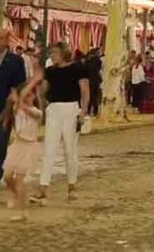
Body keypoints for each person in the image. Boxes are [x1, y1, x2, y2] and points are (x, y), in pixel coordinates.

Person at [30, 42, 89, 205]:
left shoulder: (77, 68)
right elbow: (43, 92)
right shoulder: (50, 71)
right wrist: (38, 80)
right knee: (49, 149)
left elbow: (85, 90)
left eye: (54, 52)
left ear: (64, 53)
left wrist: (83, 112)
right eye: (50, 53)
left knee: (70, 150)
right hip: (54, 109)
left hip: (71, 109)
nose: (52, 55)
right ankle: (43, 188)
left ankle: (72, 186)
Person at [1, 77, 42, 221]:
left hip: (29, 148)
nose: (29, 97)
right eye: (27, 94)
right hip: (17, 146)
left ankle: (22, 211)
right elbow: (19, 105)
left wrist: (33, 82)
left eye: (31, 95)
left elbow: (31, 112)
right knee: (7, 176)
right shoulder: (17, 109)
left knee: (19, 180)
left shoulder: (37, 112)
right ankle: (18, 195)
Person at [0, 30, 26, 180]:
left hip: (6, 108)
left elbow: (21, 85)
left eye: (1, 38)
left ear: (7, 40)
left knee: (1, 143)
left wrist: (15, 97)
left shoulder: (16, 61)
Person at [85, 48, 102, 117]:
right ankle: (95, 111)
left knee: (90, 96)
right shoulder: (98, 60)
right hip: (96, 80)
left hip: (89, 80)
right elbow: (98, 68)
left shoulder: (87, 61)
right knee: (95, 96)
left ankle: (89, 111)